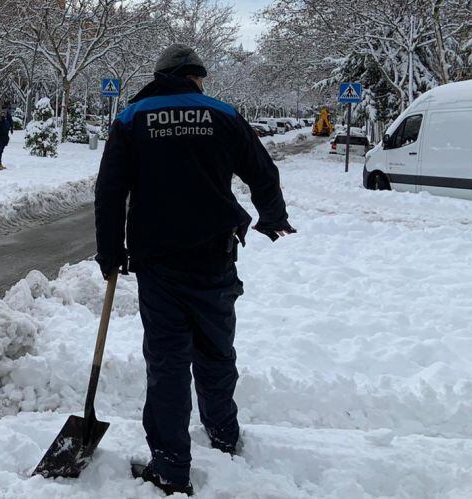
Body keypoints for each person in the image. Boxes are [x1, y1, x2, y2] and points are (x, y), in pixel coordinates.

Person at [94, 44, 295, 496]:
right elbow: (262, 170)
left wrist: (110, 251)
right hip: (214, 257)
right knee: (216, 349)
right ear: (194, 77)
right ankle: (223, 432)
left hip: (158, 262)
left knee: (167, 362)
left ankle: (170, 466)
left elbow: (109, 191)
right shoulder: (223, 114)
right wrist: (272, 215)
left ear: (160, 75)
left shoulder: (131, 119)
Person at [0, 105, 12, 170]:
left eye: (4, 114)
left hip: (4, 139)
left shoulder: (6, 121)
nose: (3, 115)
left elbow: (7, 128)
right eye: (2, 113)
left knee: (1, 151)